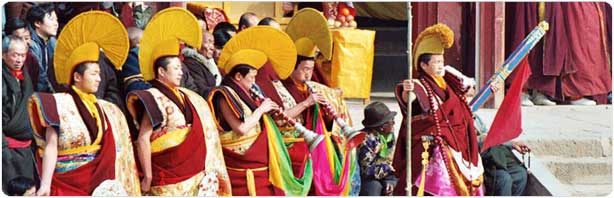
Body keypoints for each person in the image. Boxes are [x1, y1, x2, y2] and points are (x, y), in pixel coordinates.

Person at [27, 11, 140, 196]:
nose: (99, 79)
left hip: (99, 183)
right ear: (77, 77)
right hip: (67, 182)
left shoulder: (105, 108)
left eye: (99, 73)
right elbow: (51, 145)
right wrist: (45, 184)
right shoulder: (58, 104)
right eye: (93, 74)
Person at [125, 7, 231, 196]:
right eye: (175, 68)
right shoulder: (152, 96)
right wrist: (147, 176)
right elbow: (143, 138)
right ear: (161, 72)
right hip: (167, 177)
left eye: (180, 67)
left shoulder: (187, 96)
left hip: (194, 174)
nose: (181, 72)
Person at [264, 8, 361, 195]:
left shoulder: (313, 87)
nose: (308, 74)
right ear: (292, 68)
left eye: (310, 69)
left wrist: (329, 107)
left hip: (314, 141)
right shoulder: (278, 87)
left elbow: (327, 122)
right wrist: (307, 103)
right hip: (291, 142)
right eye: (304, 69)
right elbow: (279, 119)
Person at [208, 26, 313, 196]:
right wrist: (262, 110)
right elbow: (241, 128)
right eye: (251, 77)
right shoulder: (224, 95)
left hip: (258, 160)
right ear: (238, 77)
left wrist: (270, 114)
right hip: (242, 162)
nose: (254, 82)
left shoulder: (247, 93)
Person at [393, 23, 484, 196]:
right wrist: (407, 91)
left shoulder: (448, 81)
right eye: (436, 62)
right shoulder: (419, 85)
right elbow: (409, 100)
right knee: (441, 152)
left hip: (456, 136)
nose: (441, 66)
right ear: (424, 66)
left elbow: (468, 92)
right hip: (433, 139)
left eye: (442, 61)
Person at [2, 36, 37, 194]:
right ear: (3, 54)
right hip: (7, 149)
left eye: (23, 55)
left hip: (25, 146)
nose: (19, 60)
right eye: (15, 55)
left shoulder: (24, 74)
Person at [357, 101, 398, 196]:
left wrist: (390, 181)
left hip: (385, 173)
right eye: (390, 121)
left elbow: (389, 160)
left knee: (396, 185)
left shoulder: (388, 135)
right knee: (374, 189)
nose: (394, 123)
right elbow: (366, 170)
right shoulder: (365, 140)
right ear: (382, 127)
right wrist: (387, 168)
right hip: (368, 177)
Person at [25, 3, 58, 92]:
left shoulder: (52, 41)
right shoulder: (31, 45)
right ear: (37, 23)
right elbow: (40, 77)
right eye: (51, 19)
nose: (56, 24)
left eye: (56, 20)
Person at [182, 30, 222, 98]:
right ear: (197, 44)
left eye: (213, 43)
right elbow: (201, 90)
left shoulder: (208, 64)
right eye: (208, 42)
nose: (212, 48)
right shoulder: (191, 64)